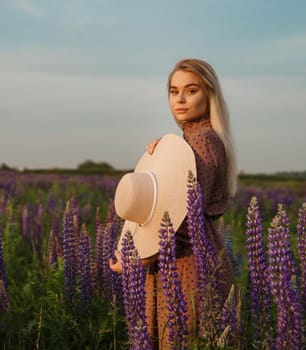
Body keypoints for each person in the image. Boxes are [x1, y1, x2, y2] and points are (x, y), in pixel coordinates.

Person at [110, 58, 236, 347]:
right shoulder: (197, 138)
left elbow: (184, 220)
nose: (180, 99)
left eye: (191, 90)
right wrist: (161, 158)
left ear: (210, 94)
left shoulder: (201, 142)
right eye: (173, 90)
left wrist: (136, 259)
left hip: (189, 265)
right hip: (182, 261)